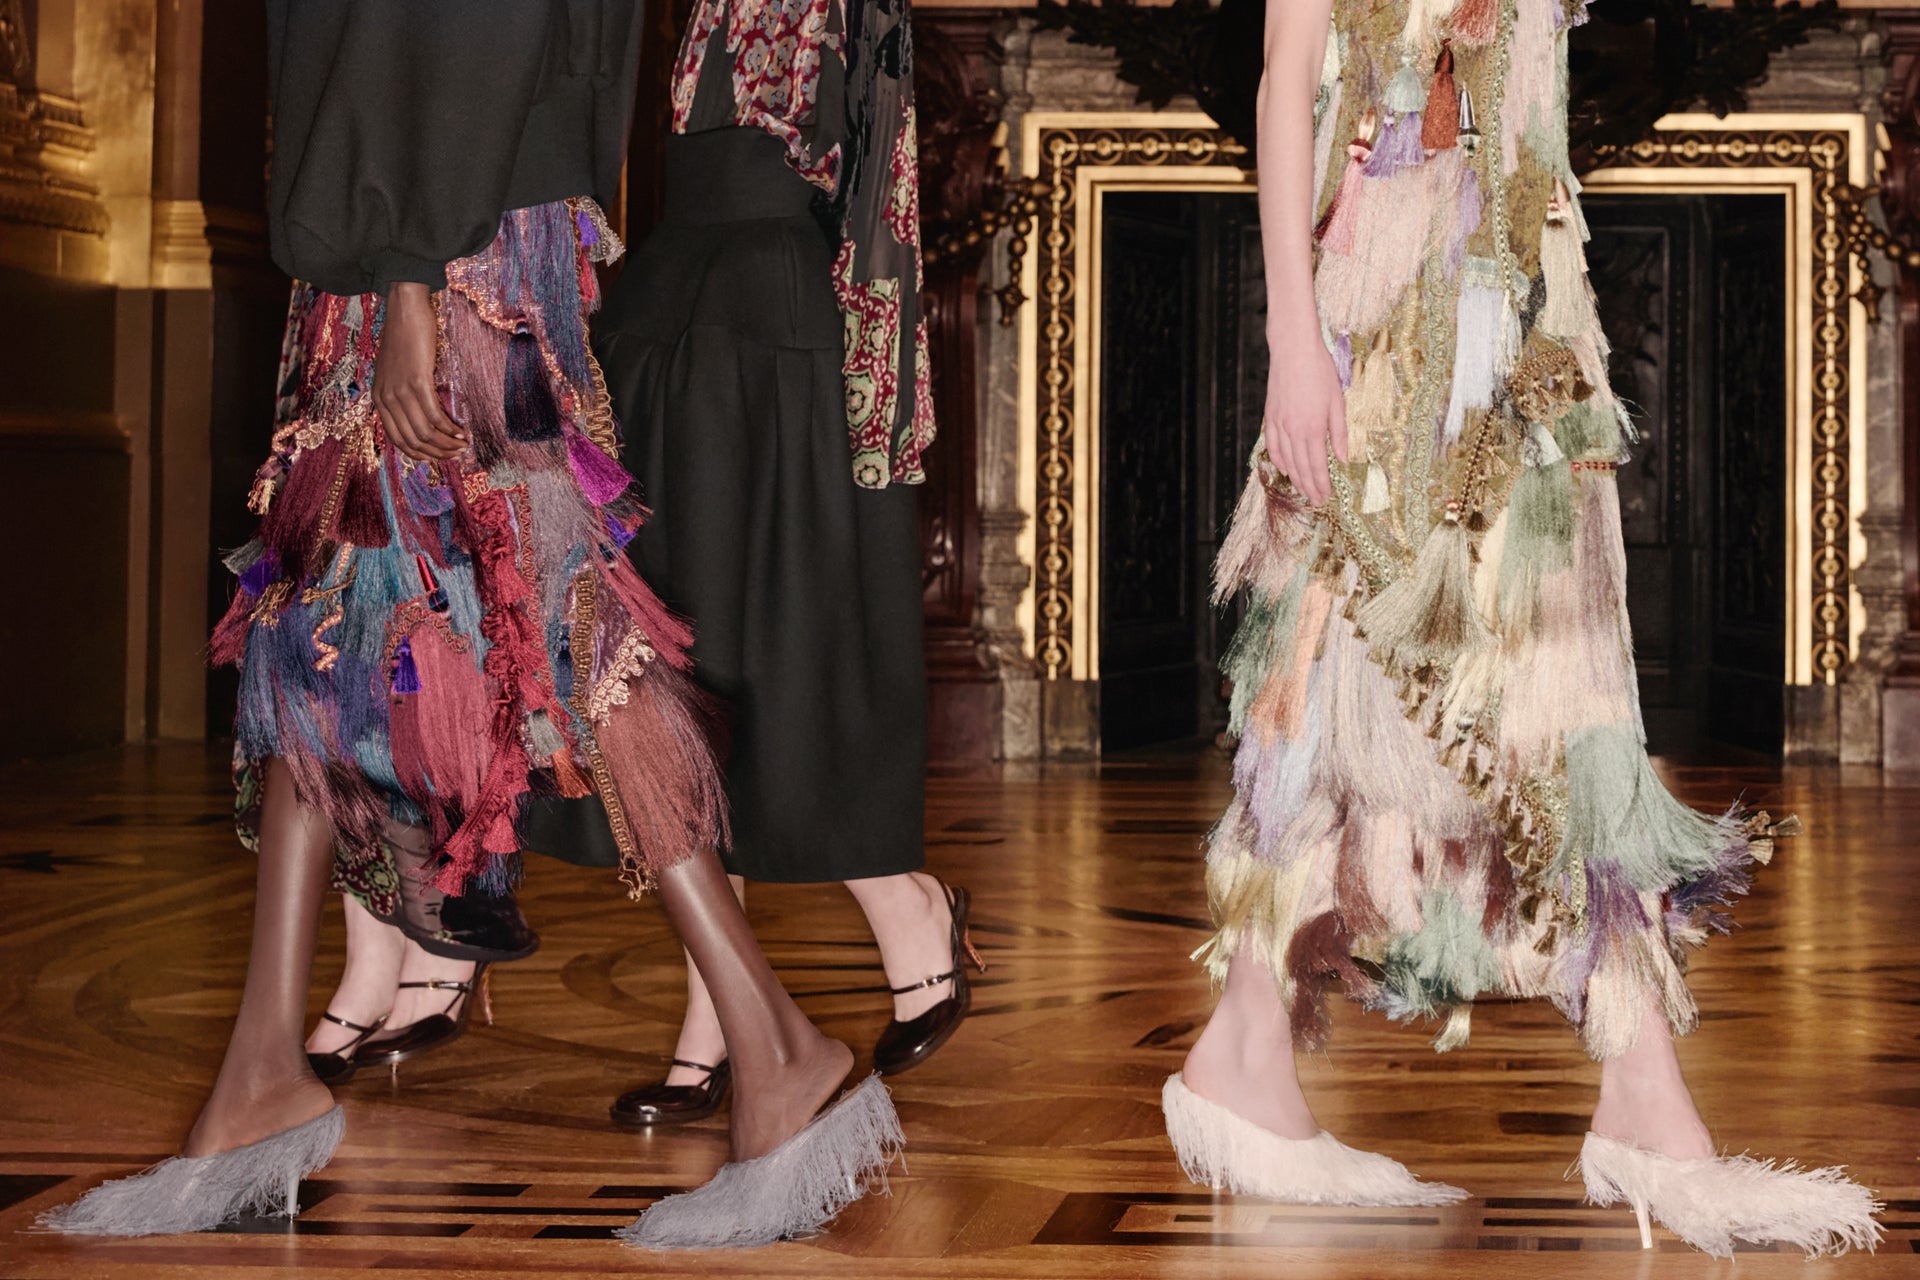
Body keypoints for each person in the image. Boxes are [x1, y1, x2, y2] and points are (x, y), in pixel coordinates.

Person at [42, 1, 897, 1249]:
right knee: (313, 623)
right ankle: (260, 1071)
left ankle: (778, 1041)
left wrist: (410, 278)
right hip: (408, 240)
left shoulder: (428, 257)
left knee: (550, 622)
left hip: (453, 255)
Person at [1166, 0, 1882, 1259]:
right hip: (1386, 310)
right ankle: (1274, 1055)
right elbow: (1290, 80)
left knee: (1557, 679)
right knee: (1342, 671)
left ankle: (1262, 1051)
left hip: (1528, 322)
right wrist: (1293, 336)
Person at [529, 0, 981, 1129]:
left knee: (778, 655)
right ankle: (722, 1009)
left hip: (780, 336)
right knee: (685, 676)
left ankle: (906, 907)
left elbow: (885, 201)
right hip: (670, 322)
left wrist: (878, 412)